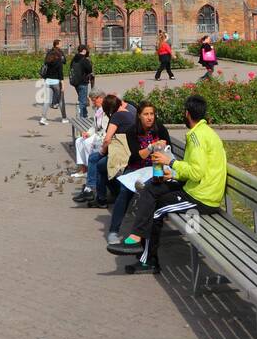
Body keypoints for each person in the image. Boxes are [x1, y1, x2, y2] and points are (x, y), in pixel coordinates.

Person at [108, 93, 227, 271]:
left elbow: (196, 172)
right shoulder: (203, 132)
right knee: (152, 188)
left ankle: (146, 259)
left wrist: (169, 162)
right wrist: (171, 176)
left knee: (156, 209)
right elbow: (194, 170)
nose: (150, 117)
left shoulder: (197, 137)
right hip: (198, 189)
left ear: (187, 113)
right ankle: (137, 241)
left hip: (202, 198)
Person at [106, 101, 172, 246]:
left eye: (152, 114)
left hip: (156, 167)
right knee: (124, 191)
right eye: (146, 114)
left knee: (155, 187)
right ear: (139, 116)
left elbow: (169, 150)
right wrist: (151, 147)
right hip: (136, 167)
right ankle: (113, 230)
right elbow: (136, 156)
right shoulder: (132, 131)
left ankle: (148, 231)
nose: (150, 118)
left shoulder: (159, 128)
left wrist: (163, 147)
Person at [74, 93, 137, 207]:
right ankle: (105, 194)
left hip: (122, 153)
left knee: (96, 161)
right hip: (125, 150)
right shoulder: (128, 113)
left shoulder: (117, 116)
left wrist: (102, 152)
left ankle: (92, 191)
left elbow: (107, 139)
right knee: (100, 164)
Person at [74, 91, 107, 166]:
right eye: (92, 100)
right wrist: (88, 133)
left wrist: (95, 135)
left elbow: (107, 127)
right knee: (78, 141)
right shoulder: (98, 109)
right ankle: (83, 167)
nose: (93, 102)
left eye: (94, 100)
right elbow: (94, 126)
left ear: (101, 98)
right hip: (97, 133)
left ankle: (90, 167)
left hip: (103, 134)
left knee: (87, 142)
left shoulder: (106, 109)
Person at [39, 40, 67, 126]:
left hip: (47, 81)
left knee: (46, 101)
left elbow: (45, 70)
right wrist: (63, 83)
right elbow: (60, 73)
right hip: (56, 82)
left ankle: (43, 118)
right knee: (61, 100)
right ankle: (64, 118)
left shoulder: (47, 61)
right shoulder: (58, 62)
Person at [68, 44, 94, 115]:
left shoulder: (74, 59)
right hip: (82, 82)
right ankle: (81, 117)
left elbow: (71, 68)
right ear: (84, 50)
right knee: (82, 101)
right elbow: (89, 70)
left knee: (82, 99)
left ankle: (85, 114)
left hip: (75, 82)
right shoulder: (84, 60)